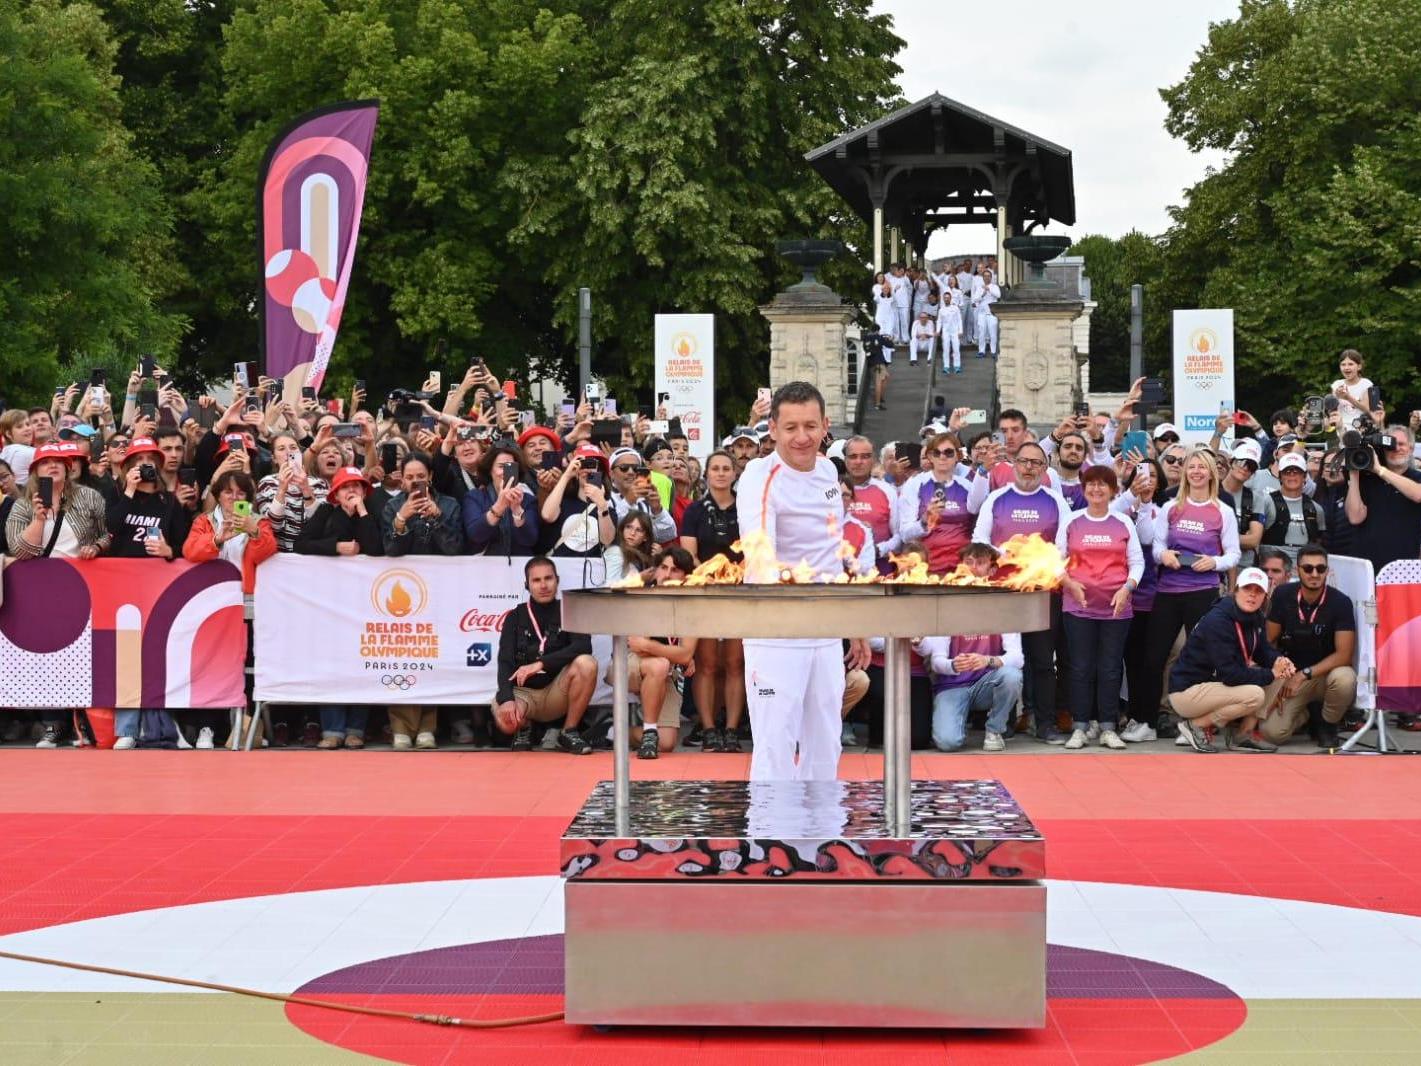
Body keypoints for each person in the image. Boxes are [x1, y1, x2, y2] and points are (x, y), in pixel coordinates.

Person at [737, 382, 870, 781]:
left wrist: (852, 623)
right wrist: (799, 604)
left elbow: (832, 551)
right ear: (772, 428)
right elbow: (760, 554)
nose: (801, 437)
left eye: (810, 426)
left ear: (825, 425)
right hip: (775, 631)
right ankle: (771, 840)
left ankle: (818, 836)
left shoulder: (829, 470)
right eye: (791, 427)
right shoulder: (759, 477)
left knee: (825, 742)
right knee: (775, 743)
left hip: (825, 632)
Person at [1130, 449, 1240, 743]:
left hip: (1202, 592)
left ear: (1211, 473)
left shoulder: (1223, 511)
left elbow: (1233, 554)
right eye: (1191, 466)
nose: (1196, 471)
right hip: (1167, 592)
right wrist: (1164, 555)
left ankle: (1194, 723)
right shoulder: (1170, 507)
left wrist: (1213, 563)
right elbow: (1155, 547)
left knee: (1199, 658)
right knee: (1153, 658)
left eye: (1202, 467)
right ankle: (1145, 722)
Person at [971, 441, 1071, 743]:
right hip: (1003, 591)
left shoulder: (1055, 500)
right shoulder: (997, 498)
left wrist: (1040, 559)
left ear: (1045, 467)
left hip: (1041, 592)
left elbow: (1066, 545)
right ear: (1014, 464)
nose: (1029, 468)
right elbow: (979, 538)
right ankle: (996, 723)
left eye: (1036, 463)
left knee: (1042, 660)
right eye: (1024, 461)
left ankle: (1045, 723)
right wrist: (1004, 552)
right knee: (1000, 657)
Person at [181, 470, 277, 749]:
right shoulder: (205, 521)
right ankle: (208, 727)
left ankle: (245, 726)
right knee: (210, 665)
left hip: (245, 604)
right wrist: (217, 540)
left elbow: (267, 550)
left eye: (241, 493)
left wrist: (253, 531)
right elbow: (190, 551)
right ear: (218, 496)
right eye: (228, 492)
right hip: (210, 607)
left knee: (245, 664)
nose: (234, 498)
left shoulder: (259, 521)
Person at [295, 467, 384, 748]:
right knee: (331, 662)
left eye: (357, 487)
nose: (352, 492)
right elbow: (301, 544)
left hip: (364, 602)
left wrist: (363, 514)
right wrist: (336, 546)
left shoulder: (371, 515)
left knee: (362, 661)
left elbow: (377, 548)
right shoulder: (324, 513)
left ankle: (356, 728)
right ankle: (332, 729)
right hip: (330, 602)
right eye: (346, 487)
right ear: (335, 493)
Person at [1056, 466, 1142, 750]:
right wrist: (1070, 583)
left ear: (1112, 490)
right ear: (1083, 489)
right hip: (1078, 608)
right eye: (1091, 485)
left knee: (1110, 669)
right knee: (1080, 668)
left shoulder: (1123, 522)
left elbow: (1137, 563)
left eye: (1102, 485)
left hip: (1116, 610)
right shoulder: (1072, 521)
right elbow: (1057, 562)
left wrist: (1126, 588)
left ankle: (1108, 726)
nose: (1096, 490)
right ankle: (1080, 726)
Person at [1168, 566, 1294, 753]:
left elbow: (1262, 651)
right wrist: (1269, 674)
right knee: (1255, 694)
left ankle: (1243, 734)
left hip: (1215, 685)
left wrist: (1279, 661)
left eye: (1258, 591)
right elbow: (1229, 674)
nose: (1252, 595)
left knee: (1281, 673)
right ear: (1236, 590)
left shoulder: (1255, 616)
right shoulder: (1219, 620)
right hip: (1187, 692)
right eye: (1247, 589)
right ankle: (1196, 725)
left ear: (1265, 596)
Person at [919, 543, 1024, 752]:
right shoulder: (948, 604)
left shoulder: (1002, 605)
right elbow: (937, 662)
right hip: (952, 685)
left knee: (1012, 676)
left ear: (992, 570)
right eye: (969, 562)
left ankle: (994, 731)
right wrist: (954, 665)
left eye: (981, 563)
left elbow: (1018, 657)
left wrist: (988, 661)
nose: (974, 567)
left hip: (986, 683)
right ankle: (956, 722)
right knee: (947, 743)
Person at [493, 556, 599, 753]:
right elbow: (505, 662)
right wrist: (506, 699)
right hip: (523, 693)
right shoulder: (515, 616)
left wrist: (541, 663)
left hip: (556, 692)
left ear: (557, 580)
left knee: (587, 663)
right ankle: (524, 728)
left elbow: (584, 646)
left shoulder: (569, 610)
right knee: (506, 722)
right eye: (536, 580)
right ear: (527, 585)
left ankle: (569, 731)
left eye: (548, 578)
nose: (543, 585)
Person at [679, 451, 745, 752]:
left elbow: (753, 551)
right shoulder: (694, 510)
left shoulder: (745, 508)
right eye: (715, 468)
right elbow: (689, 554)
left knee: (734, 663)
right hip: (704, 591)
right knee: (706, 663)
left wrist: (733, 578)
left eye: (726, 468)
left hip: (738, 593)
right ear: (706, 474)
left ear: (734, 473)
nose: (720, 473)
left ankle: (731, 729)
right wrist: (709, 576)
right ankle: (707, 728)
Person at [1262, 544, 1357, 748]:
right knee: (1272, 734)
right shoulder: (1282, 595)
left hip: (1324, 676)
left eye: (1320, 569)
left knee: (1345, 678)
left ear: (1327, 571)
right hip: (1290, 677)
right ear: (1297, 571)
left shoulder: (1341, 602)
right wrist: (1278, 677)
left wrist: (1303, 674)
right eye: (1308, 568)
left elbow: (1344, 655)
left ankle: (1327, 723)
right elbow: (1268, 641)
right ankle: (1306, 715)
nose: (1314, 574)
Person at [621, 548, 700, 758]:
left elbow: (684, 655)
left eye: (674, 570)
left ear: (685, 576)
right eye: (663, 568)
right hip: (628, 664)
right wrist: (677, 653)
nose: (666, 574)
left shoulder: (691, 605)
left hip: (667, 671)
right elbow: (638, 646)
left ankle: (615, 732)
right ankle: (648, 731)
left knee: (666, 743)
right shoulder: (642, 596)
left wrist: (676, 654)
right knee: (659, 664)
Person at [5, 443, 109, 562]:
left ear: (66, 469)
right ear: (36, 472)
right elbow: (19, 553)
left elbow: (107, 535)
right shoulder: (23, 505)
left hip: (80, 573)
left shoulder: (89, 496)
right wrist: (39, 520)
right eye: (45, 462)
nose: (53, 465)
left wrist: (96, 548)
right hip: (40, 576)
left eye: (59, 461)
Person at [1344, 425, 1421, 574]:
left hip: (1404, 567)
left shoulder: (1417, 478)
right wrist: (1354, 472)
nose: (1396, 448)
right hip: (1367, 565)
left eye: (1401, 444)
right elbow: (1355, 517)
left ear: (1411, 449)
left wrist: (1379, 469)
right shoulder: (1367, 479)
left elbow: (1418, 495)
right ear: (1383, 449)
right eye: (1391, 445)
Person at [898, 432, 974, 575]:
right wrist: (925, 520)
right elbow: (904, 535)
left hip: (962, 567)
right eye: (936, 453)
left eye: (949, 452)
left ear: (958, 456)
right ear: (930, 457)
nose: (942, 457)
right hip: (925, 567)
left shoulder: (968, 486)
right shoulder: (915, 484)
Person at [462, 443, 539, 556]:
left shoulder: (528, 500)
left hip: (519, 566)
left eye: (511, 467)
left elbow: (530, 540)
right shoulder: (474, 497)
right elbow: (475, 535)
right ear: (490, 470)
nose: (505, 472)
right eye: (501, 467)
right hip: (484, 567)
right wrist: (499, 506)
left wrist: (517, 510)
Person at [539, 443, 614, 557]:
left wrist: (602, 505)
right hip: (559, 569)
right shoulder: (562, 502)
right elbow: (547, 516)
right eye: (583, 464)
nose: (588, 470)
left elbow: (607, 540)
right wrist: (567, 475)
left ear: (601, 472)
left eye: (593, 464)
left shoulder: (607, 509)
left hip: (590, 572)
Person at [385, 453, 464, 557]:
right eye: (409, 477)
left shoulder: (450, 505)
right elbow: (391, 551)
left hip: (441, 571)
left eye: (421, 476)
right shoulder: (392, 506)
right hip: (407, 571)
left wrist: (438, 517)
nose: (415, 481)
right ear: (402, 479)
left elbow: (455, 549)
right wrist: (401, 519)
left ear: (430, 475)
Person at [1260, 453, 1323, 564]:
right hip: (1273, 568)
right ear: (1280, 476)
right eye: (1287, 472)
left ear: (1304, 476)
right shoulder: (1266, 502)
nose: (1292, 476)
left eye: (1297, 472)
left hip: (1303, 568)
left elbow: (1319, 542)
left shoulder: (1316, 508)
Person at [1221, 439, 1268, 569]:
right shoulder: (1211, 490)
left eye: (1251, 466)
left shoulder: (1255, 498)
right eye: (1242, 462)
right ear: (1231, 462)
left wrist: (1216, 536)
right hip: (1215, 561)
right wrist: (1241, 538)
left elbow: (1253, 540)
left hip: (1244, 565)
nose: (1245, 468)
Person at [1330, 349, 1379, 432]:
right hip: (1342, 430)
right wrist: (1335, 397)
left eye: (1350, 364)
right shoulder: (1336, 384)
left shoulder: (1366, 384)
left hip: (1362, 430)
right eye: (1343, 364)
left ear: (1359, 366)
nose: (1346, 368)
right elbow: (1331, 411)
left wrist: (1348, 397)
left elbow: (1368, 410)